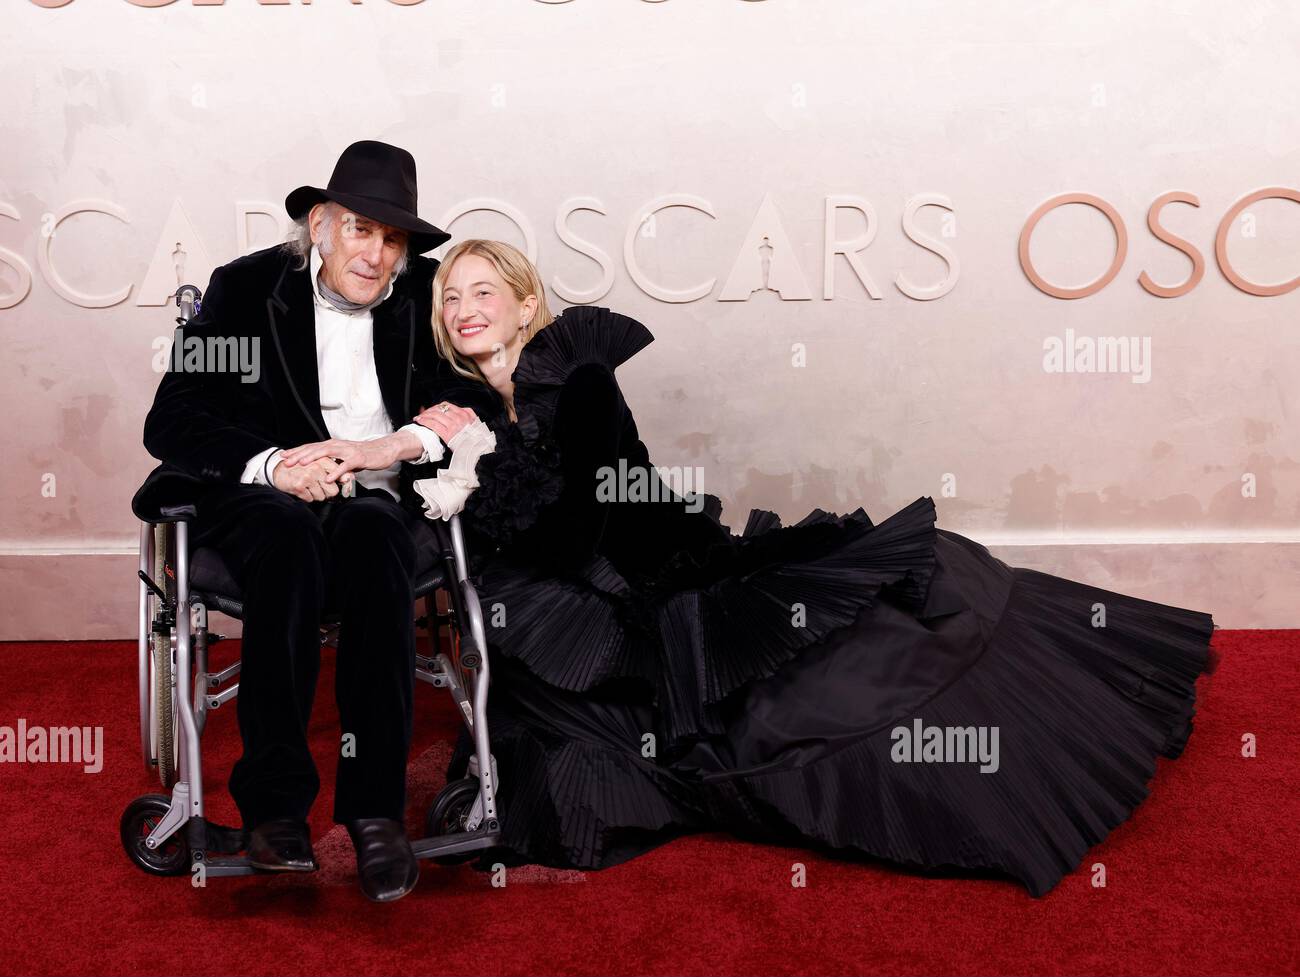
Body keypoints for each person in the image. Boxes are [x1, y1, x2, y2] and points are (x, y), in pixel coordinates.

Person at [410, 238, 1219, 898]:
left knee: (827, 676)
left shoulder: (577, 376)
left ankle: (1044, 754)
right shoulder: (475, 413)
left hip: (658, 580)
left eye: (483, 292)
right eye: (450, 297)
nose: (464, 309)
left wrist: (477, 464)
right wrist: (464, 447)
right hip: (598, 604)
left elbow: (570, 529)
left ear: (524, 305)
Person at [138, 140, 476, 903]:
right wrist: (275, 465)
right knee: (288, 541)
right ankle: (276, 811)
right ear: (320, 225)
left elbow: (477, 404)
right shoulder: (249, 289)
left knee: (377, 539)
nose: (376, 253)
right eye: (361, 229)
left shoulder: (428, 295)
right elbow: (176, 417)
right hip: (265, 492)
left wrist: (398, 444)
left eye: (392, 239)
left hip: (374, 494)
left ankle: (375, 814)